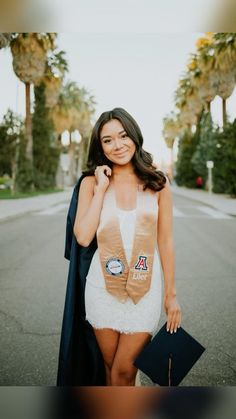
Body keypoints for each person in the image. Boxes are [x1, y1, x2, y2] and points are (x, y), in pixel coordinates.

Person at [71, 107, 182, 386]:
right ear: (100, 145)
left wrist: (171, 294)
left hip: (144, 290)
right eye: (107, 140)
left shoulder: (157, 182)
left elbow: (166, 240)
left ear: (134, 136)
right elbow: (83, 237)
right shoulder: (90, 183)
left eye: (123, 136)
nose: (117, 145)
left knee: (124, 371)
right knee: (110, 371)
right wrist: (100, 189)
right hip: (102, 288)